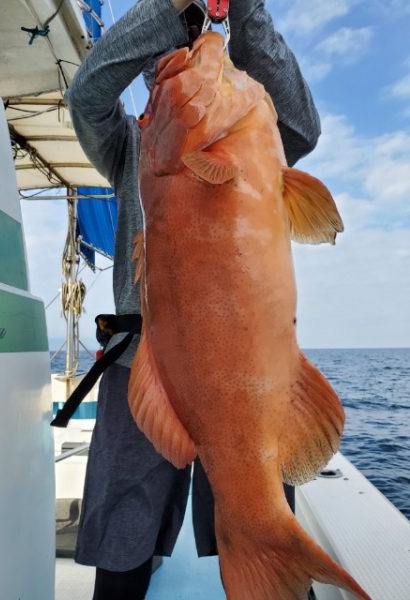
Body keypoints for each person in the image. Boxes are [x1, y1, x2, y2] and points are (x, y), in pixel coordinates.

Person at [66, 1, 321, 598]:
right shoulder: (131, 148)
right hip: (140, 366)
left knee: (261, 509)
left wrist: (246, 12)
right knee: (122, 542)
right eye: (162, 65)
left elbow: (304, 127)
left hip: (247, 369)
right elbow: (87, 96)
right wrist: (167, 9)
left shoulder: (257, 132)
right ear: (147, 86)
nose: (179, 61)